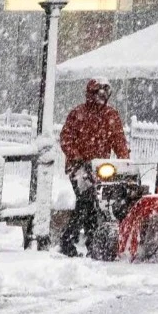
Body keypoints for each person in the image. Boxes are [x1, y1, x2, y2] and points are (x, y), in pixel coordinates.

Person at [57, 78, 130, 258]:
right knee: (86, 201)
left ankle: (90, 243)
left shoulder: (111, 115)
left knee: (95, 205)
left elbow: (119, 142)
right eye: (99, 93)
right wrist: (77, 157)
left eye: (105, 93)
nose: (102, 96)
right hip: (79, 168)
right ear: (91, 94)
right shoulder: (77, 114)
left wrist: (125, 163)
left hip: (100, 168)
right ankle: (69, 241)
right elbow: (66, 139)